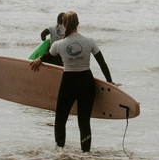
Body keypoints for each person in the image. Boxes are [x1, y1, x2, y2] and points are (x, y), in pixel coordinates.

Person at [30, 11, 113, 152]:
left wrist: (38, 60)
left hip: (69, 82)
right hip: (86, 82)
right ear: (78, 23)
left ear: (63, 25)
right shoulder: (89, 41)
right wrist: (110, 82)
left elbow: (48, 56)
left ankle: (60, 152)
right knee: (84, 121)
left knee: (61, 119)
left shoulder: (58, 44)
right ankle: (86, 154)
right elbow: (102, 63)